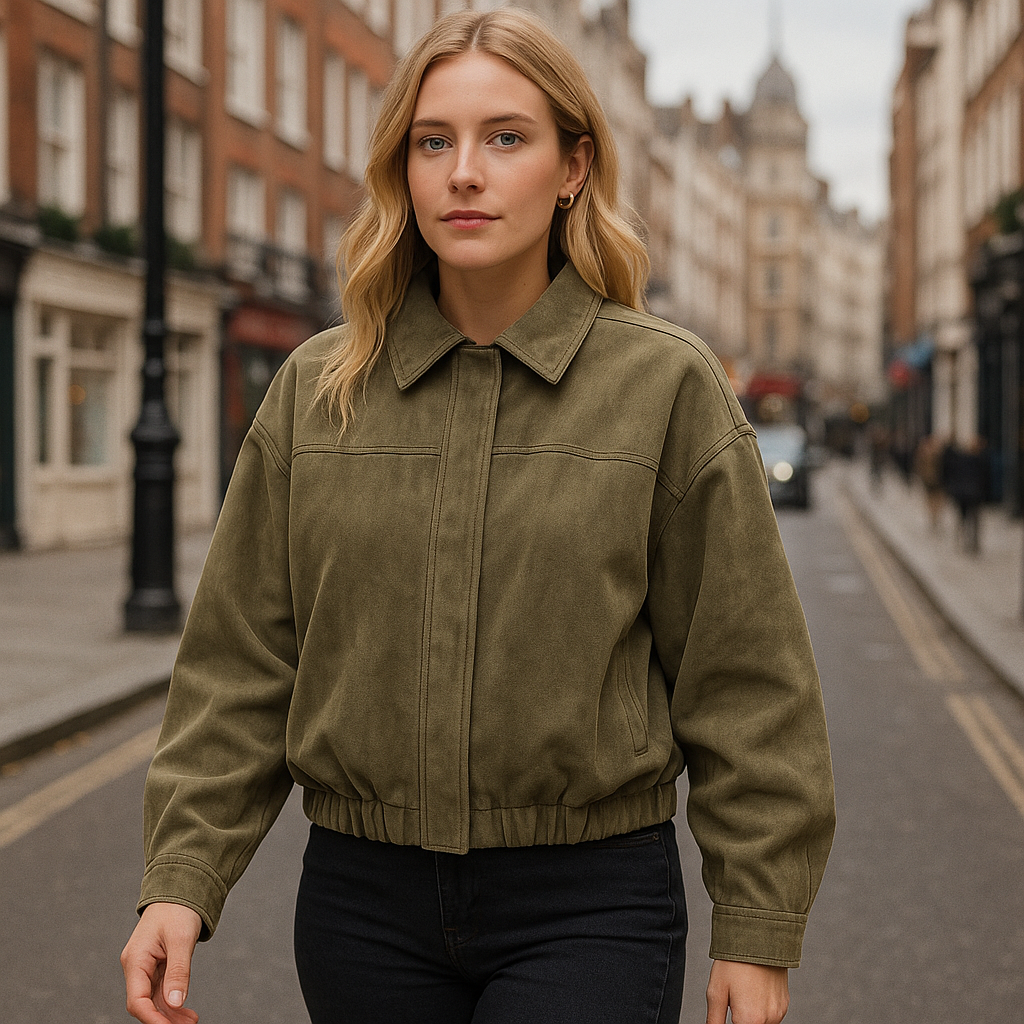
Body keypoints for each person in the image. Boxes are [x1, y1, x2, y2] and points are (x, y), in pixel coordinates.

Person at [120, 9, 835, 1024]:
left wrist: (757, 928)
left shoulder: (664, 384)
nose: (464, 171)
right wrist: (181, 878)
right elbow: (240, 666)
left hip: (587, 906)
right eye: (432, 141)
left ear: (572, 164)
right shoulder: (316, 389)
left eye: (506, 137)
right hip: (362, 908)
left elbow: (748, 681)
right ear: (402, 169)